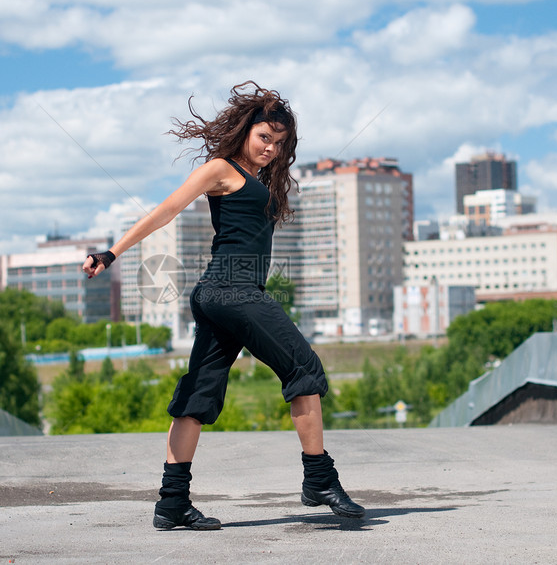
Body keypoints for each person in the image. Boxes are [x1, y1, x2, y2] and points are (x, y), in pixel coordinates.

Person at [83, 81, 365, 530]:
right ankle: (318, 479)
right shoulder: (221, 169)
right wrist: (111, 253)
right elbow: (166, 210)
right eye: (264, 138)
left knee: (198, 395)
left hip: (221, 295)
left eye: (279, 142)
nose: (271, 148)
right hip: (232, 290)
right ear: (246, 131)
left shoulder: (259, 180)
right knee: (303, 369)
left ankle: (171, 502)